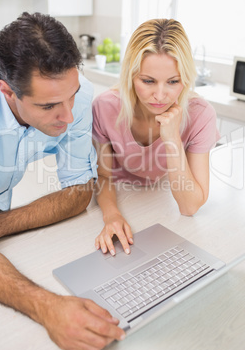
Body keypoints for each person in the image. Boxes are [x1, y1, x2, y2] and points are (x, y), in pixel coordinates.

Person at [0, 12, 125, 350]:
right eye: (48, 106)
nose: (69, 116)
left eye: (71, 96)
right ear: (7, 91)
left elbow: (78, 192)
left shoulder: (74, 96)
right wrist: (48, 307)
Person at [92, 18, 220, 257]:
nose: (160, 96)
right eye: (148, 81)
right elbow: (103, 176)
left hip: (160, 195)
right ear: (131, 76)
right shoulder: (105, 107)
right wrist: (112, 215)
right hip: (118, 194)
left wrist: (172, 139)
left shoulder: (201, 114)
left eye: (173, 81)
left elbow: (189, 206)